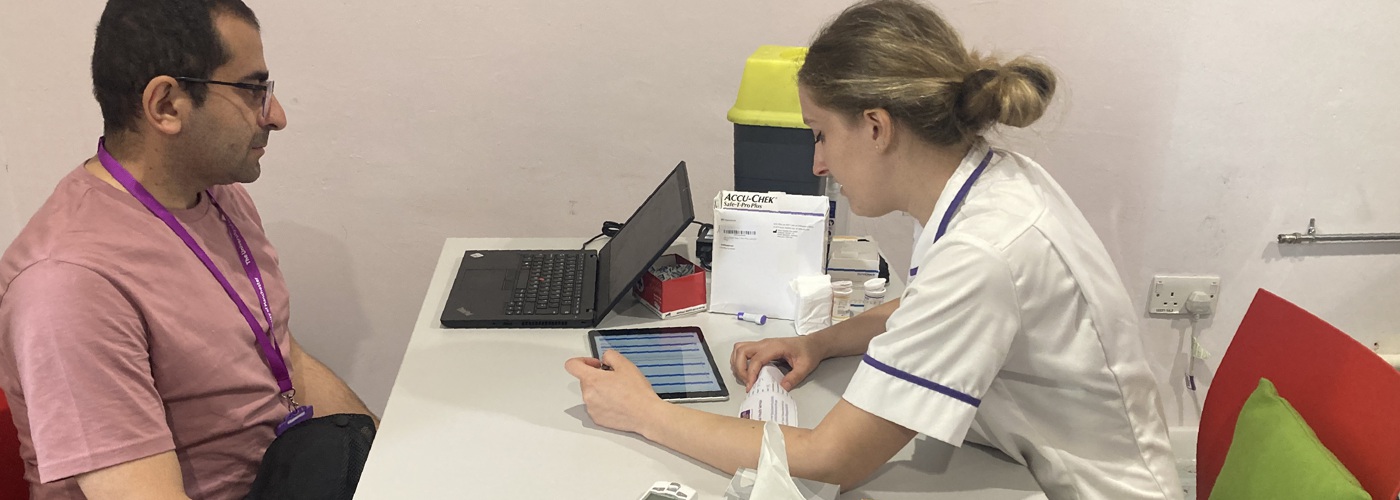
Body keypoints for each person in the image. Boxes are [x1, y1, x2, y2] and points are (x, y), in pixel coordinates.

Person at [566, 1, 1183, 498]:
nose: (819, 161)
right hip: (1010, 456)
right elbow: (926, 305)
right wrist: (820, 342)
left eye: (821, 134)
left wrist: (645, 413)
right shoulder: (985, 179)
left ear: (876, 126)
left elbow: (835, 460)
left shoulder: (986, 251)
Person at [0, 1, 376, 498]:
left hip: (291, 468)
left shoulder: (217, 195)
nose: (277, 116)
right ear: (167, 105)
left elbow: (285, 358)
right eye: (252, 90)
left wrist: (392, 460)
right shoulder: (68, 285)